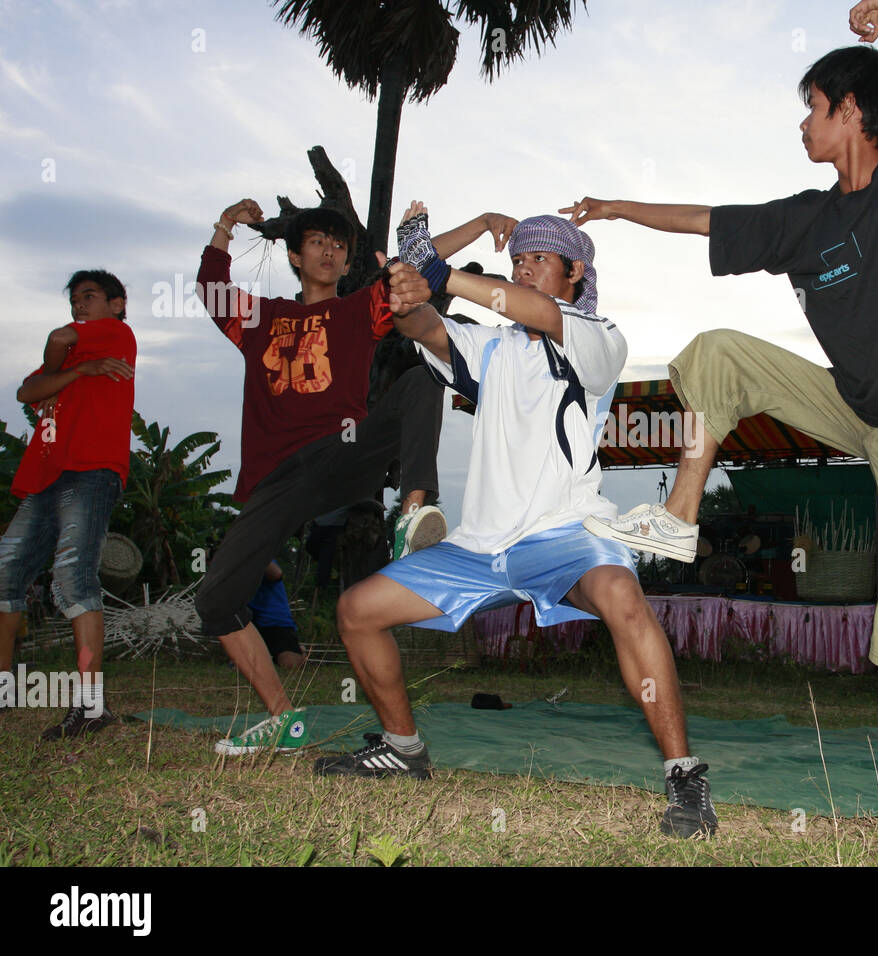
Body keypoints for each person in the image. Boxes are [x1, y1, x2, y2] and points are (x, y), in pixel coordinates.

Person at [566, 0, 878, 860]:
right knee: (717, 351)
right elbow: (704, 220)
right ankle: (679, 515)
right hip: (856, 405)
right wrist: (612, 207)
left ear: (854, 112)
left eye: (813, 106)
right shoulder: (806, 217)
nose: (803, 122)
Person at [315, 208, 717, 839]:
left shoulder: (596, 336)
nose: (524, 269)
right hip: (481, 545)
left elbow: (533, 310)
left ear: (574, 272)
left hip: (566, 534)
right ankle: (403, 748)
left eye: (539, 261)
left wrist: (439, 272)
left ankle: (685, 776)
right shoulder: (492, 345)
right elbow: (424, 328)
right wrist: (405, 287)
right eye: (519, 259)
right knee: (356, 610)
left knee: (621, 594)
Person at [194, 200, 511, 754]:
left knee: (421, 380)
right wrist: (225, 226)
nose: (330, 251)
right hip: (277, 480)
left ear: (346, 265)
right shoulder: (259, 318)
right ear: (295, 256)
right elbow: (209, 283)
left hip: (341, 452)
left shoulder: (358, 310)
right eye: (317, 242)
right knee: (216, 601)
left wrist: (483, 224)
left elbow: (416, 265)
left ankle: (413, 512)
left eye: (339, 247)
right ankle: (280, 718)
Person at [0, 270, 135, 739]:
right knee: (6, 571)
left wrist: (73, 362)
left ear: (117, 304)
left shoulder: (117, 334)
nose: (79, 305)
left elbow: (57, 337)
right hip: (44, 477)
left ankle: (92, 706)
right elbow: (26, 392)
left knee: (72, 574)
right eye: (75, 298)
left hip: (91, 469)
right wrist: (77, 370)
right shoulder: (73, 360)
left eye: (90, 296)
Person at [248, 562, 305, 669]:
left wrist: (247, 554)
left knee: (290, 664)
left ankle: (297, 650)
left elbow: (276, 573)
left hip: (274, 621)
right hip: (246, 622)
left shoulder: (257, 553)